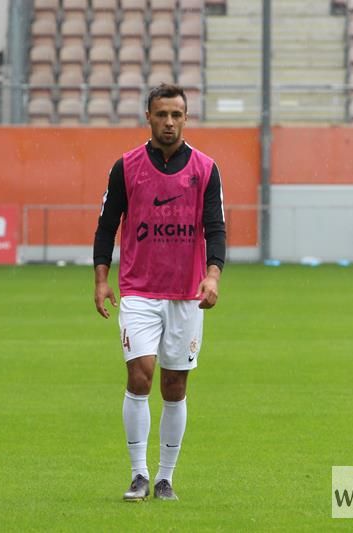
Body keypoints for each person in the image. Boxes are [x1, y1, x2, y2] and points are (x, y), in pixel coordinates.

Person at [93, 83, 226, 502]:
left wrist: (213, 276)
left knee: (174, 385)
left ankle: (166, 478)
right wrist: (101, 279)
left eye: (176, 115)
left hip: (186, 294)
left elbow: (216, 228)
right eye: (162, 114)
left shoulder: (206, 169)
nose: (169, 122)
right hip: (139, 290)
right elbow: (106, 226)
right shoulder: (126, 167)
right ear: (148, 116)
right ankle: (138, 474)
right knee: (140, 374)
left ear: (186, 118)